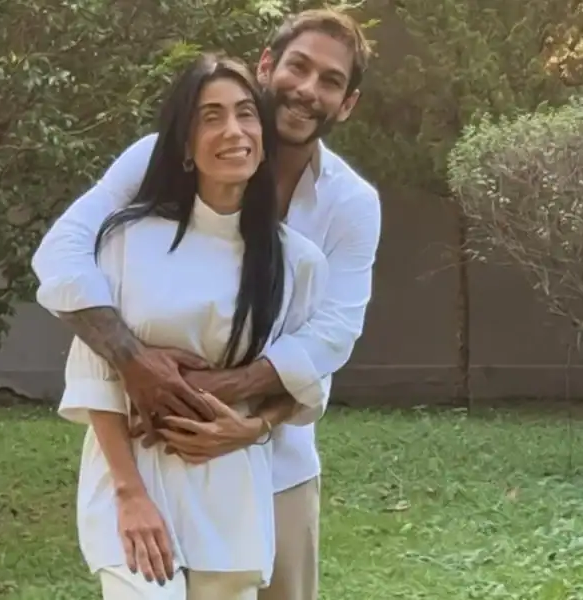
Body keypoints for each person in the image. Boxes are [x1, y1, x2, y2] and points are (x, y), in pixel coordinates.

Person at [33, 9, 380, 600]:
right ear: (266, 66)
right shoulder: (149, 180)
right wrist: (137, 364)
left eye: (330, 81)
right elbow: (65, 255)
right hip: (152, 454)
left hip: (277, 461)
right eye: (298, 66)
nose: (307, 89)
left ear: (346, 103)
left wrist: (232, 407)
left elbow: (333, 331)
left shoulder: (344, 210)